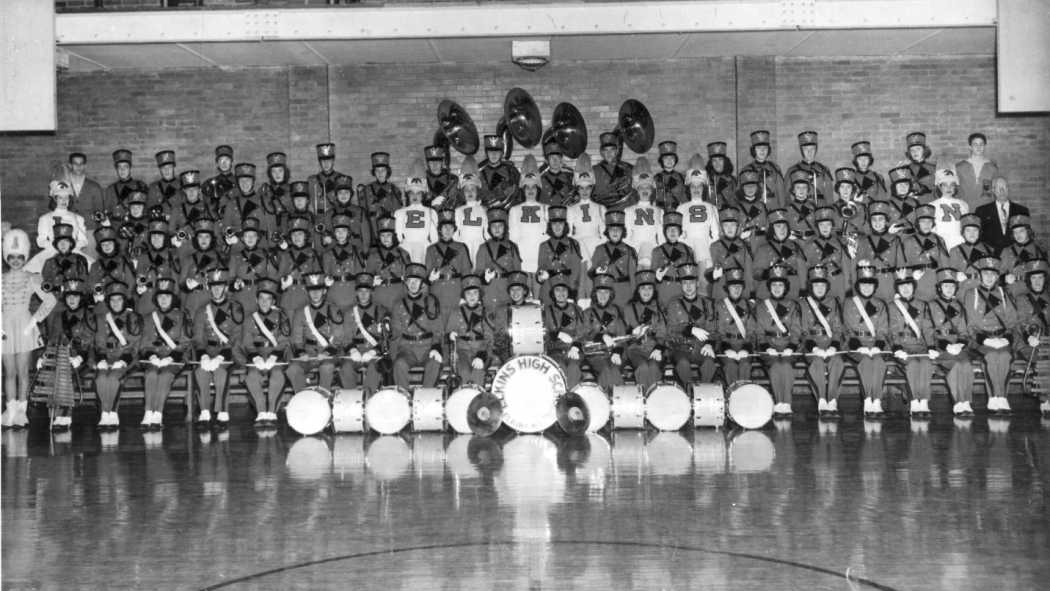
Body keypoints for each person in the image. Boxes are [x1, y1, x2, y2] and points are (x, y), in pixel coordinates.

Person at [2, 229, 56, 429]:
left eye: (20, 257)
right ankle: (10, 410)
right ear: (6, 257)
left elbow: (50, 300)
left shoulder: (33, 277)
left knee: (23, 371)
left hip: (24, 326)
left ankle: (22, 412)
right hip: (5, 328)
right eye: (11, 257)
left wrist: (34, 321)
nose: (16, 260)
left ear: (25, 257)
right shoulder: (0, 278)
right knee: (8, 373)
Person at [963, 256, 1018, 415]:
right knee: (992, 356)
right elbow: (970, 324)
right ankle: (994, 398)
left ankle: (1003, 398)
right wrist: (985, 339)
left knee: (1005, 356)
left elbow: (1012, 320)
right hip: (980, 340)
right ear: (980, 275)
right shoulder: (971, 294)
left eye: (992, 274)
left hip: (1002, 338)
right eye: (985, 273)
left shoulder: (1003, 293)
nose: (989, 277)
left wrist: (1005, 338)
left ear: (997, 277)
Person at [191, 268, 243, 426]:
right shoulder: (202, 310)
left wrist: (222, 356)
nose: (217, 289)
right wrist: (203, 355)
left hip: (230, 353)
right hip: (208, 350)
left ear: (226, 288)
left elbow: (237, 336)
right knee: (201, 371)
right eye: (214, 286)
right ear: (209, 288)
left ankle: (222, 411)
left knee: (221, 372)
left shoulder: (235, 309)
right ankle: (205, 412)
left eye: (220, 286)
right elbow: (198, 337)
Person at [138, 277, 190, 429]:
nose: (164, 300)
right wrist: (151, 356)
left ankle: (158, 414)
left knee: (166, 375)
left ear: (173, 298)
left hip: (175, 358)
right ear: (156, 299)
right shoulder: (149, 318)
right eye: (160, 296)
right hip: (154, 358)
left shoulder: (182, 316)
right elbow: (144, 343)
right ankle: (148, 412)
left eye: (167, 296)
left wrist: (171, 358)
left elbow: (185, 342)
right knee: (151, 374)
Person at [237, 278, 290, 426]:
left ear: (273, 301)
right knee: (252, 376)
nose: (264, 302)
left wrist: (275, 356)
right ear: (256, 299)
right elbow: (247, 342)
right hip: (257, 356)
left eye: (268, 299)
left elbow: (284, 340)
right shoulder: (249, 319)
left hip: (276, 355)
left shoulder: (281, 316)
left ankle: (272, 413)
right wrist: (255, 357)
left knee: (277, 375)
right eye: (261, 298)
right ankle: (261, 412)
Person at [42, 278, 93, 431]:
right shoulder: (59, 316)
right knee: (50, 374)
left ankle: (65, 415)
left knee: (65, 374)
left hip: (82, 358)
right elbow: (53, 339)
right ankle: (56, 413)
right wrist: (45, 356)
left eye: (76, 296)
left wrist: (79, 357)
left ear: (81, 298)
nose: (72, 299)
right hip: (62, 357)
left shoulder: (88, 315)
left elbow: (90, 340)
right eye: (69, 296)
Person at [287, 271, 347, 393]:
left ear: (324, 291)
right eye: (311, 290)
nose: (315, 294)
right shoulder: (300, 312)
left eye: (318, 290)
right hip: (308, 353)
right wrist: (301, 353)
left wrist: (326, 352)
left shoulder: (333, 309)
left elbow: (339, 337)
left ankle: (323, 398)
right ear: (307, 292)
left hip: (330, 353)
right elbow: (297, 339)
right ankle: (302, 399)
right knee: (293, 369)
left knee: (327, 367)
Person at [926, 268, 975, 417]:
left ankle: (966, 402)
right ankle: (958, 403)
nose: (949, 289)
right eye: (945, 286)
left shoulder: (959, 306)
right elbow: (928, 330)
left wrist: (959, 344)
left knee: (965, 364)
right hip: (940, 347)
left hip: (957, 347)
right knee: (956, 365)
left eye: (952, 286)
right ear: (939, 288)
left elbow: (964, 331)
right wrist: (945, 345)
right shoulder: (931, 305)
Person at [844, 264, 891, 418]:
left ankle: (876, 401)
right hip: (856, 345)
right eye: (863, 284)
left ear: (874, 286)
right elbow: (847, 329)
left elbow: (883, 329)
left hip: (875, 344)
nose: (866, 287)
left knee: (878, 362)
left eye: (870, 284)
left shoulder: (880, 304)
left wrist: (878, 346)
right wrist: (858, 346)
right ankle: (867, 400)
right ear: (858, 286)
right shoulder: (849, 303)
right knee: (865, 362)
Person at [754, 265, 801, 418]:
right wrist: (766, 347)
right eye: (774, 284)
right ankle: (778, 403)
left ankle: (786, 404)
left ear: (786, 287)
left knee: (786, 364)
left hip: (788, 345)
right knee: (775, 364)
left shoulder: (793, 305)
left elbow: (796, 329)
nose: (777, 288)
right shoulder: (761, 306)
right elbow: (759, 331)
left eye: (780, 285)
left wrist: (792, 346)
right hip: (769, 345)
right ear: (769, 287)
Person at [93, 281, 141, 429]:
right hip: (106, 355)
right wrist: (101, 360)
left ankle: (112, 413)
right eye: (112, 299)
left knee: (114, 377)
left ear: (124, 300)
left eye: (119, 299)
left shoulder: (132, 317)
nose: (115, 303)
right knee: (101, 378)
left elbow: (134, 344)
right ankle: (104, 414)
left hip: (126, 356)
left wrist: (122, 360)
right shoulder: (103, 318)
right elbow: (99, 343)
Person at [886, 272, 935, 417]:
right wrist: (897, 347)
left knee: (926, 363)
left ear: (913, 287)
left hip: (920, 345)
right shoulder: (891, 306)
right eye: (902, 286)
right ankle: (914, 402)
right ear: (897, 289)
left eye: (908, 285)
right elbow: (891, 330)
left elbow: (927, 327)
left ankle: (924, 402)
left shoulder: (922, 304)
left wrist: (931, 346)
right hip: (902, 347)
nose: (905, 288)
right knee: (913, 364)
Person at [799, 266, 845, 417]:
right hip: (811, 345)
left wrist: (834, 346)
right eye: (816, 285)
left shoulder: (834, 302)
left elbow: (838, 328)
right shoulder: (803, 304)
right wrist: (814, 348)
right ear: (811, 286)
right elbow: (803, 331)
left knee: (837, 361)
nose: (819, 288)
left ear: (827, 286)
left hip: (831, 343)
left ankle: (832, 401)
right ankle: (821, 401)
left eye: (822, 285)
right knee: (817, 362)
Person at [390, 263, 443, 389]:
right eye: (410, 281)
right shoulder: (398, 305)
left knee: (434, 363)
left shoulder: (431, 302)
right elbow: (396, 333)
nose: (413, 284)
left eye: (417, 281)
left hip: (428, 346)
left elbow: (438, 329)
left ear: (422, 283)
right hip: (407, 349)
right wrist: (393, 356)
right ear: (406, 283)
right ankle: (404, 397)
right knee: (399, 364)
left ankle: (426, 397)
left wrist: (436, 347)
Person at [665, 263, 717, 387]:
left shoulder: (707, 303)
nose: (688, 287)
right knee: (682, 364)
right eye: (685, 283)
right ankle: (688, 392)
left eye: (691, 283)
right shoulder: (673, 304)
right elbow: (670, 330)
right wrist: (690, 329)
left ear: (697, 284)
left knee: (709, 363)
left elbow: (713, 330)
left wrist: (710, 344)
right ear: (680, 285)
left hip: (701, 347)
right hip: (680, 348)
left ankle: (704, 392)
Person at [28, 181, 92, 272]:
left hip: (72, 252)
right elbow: (40, 241)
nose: (64, 200)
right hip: (51, 253)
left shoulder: (78, 218)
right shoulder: (45, 218)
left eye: (66, 198)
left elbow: (84, 241)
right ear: (54, 199)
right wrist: (57, 247)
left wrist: (70, 247)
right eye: (60, 198)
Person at [445, 274, 495, 387]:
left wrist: (482, 356)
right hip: (462, 351)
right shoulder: (455, 312)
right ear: (464, 296)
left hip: (482, 350)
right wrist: (450, 335)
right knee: (464, 373)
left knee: (478, 372)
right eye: (468, 293)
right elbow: (448, 335)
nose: (472, 296)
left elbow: (490, 339)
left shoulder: (486, 312)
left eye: (475, 293)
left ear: (480, 295)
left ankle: (477, 401)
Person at [343, 272, 389, 393]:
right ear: (356, 293)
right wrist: (352, 350)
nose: (363, 295)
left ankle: (369, 397)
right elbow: (346, 336)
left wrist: (375, 350)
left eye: (366, 291)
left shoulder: (381, 311)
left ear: (371, 292)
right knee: (346, 367)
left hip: (373, 351)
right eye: (360, 291)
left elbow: (385, 337)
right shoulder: (349, 312)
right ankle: (351, 398)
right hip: (355, 351)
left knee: (375, 367)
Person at [425, 209, 472, 327]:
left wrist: (465, 294)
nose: (447, 230)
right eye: (444, 227)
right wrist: (430, 278)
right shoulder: (431, 249)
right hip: (438, 289)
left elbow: (466, 272)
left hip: (456, 289)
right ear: (439, 229)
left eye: (450, 228)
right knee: (439, 322)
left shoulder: (461, 247)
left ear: (454, 230)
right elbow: (426, 273)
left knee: (456, 322)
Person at [622, 270, 666, 391]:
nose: (646, 292)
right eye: (643, 288)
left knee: (653, 367)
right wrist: (632, 333)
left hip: (654, 348)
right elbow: (623, 333)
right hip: (635, 349)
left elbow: (663, 332)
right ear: (638, 290)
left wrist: (659, 348)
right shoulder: (629, 308)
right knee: (642, 367)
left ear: (654, 290)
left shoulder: (659, 307)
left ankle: (654, 397)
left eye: (649, 288)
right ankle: (644, 397)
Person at [582, 274, 627, 391]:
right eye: (599, 292)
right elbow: (583, 336)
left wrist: (617, 352)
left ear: (610, 294)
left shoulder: (617, 311)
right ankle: (606, 399)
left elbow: (622, 336)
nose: (603, 296)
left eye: (606, 292)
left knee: (615, 370)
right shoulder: (587, 313)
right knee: (606, 370)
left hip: (616, 351)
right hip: (596, 353)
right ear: (595, 294)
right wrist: (601, 336)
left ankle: (619, 400)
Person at [678, 159, 720, 279]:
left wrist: (711, 251)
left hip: (705, 248)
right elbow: (678, 230)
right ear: (688, 189)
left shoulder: (711, 207)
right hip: (687, 246)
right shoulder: (681, 208)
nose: (696, 189)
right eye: (693, 186)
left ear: (704, 188)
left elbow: (716, 233)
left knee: (703, 280)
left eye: (699, 186)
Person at [474, 208, 522, 311]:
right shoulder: (483, 247)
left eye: (500, 225)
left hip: (508, 289)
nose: (497, 229)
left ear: (505, 228)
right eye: (493, 226)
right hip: (490, 289)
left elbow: (517, 271)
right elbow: (478, 271)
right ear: (489, 228)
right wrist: (485, 278)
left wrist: (517, 291)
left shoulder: (512, 246)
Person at [898, 205, 948, 302]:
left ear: (933, 223)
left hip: (935, 281)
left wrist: (945, 283)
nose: (926, 224)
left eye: (929, 222)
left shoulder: (939, 240)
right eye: (923, 221)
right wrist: (911, 275)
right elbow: (902, 266)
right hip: (917, 283)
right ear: (918, 223)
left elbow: (945, 264)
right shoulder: (909, 241)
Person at [752, 209, 806, 299]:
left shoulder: (795, 247)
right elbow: (756, 274)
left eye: (785, 226)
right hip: (770, 292)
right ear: (772, 229)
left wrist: (803, 289)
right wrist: (769, 272)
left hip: (793, 291)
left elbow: (803, 270)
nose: (782, 230)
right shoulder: (763, 249)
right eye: (778, 226)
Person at [230, 217, 280, 314]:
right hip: (241, 296)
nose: (250, 238)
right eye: (247, 235)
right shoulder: (235, 256)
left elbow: (272, 278)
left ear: (258, 238)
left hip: (260, 298)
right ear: (242, 238)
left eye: (253, 235)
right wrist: (234, 285)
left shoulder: (266, 254)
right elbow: (229, 280)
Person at [711, 267, 752, 385]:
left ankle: (744, 393)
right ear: (727, 288)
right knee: (730, 365)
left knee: (745, 364)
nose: (736, 289)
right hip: (725, 343)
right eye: (733, 286)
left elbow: (752, 331)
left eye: (739, 286)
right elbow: (717, 331)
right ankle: (733, 396)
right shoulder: (719, 305)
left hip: (744, 343)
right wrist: (725, 348)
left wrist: (746, 348)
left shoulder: (749, 305)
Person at [535, 205, 583, 306]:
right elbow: (541, 267)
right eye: (554, 224)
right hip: (548, 287)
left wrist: (571, 292)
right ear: (550, 226)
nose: (557, 227)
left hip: (566, 287)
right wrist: (540, 276)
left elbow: (576, 269)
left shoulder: (573, 243)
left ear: (565, 225)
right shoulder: (544, 245)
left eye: (560, 223)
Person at [509, 155, 548, 277]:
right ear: (523, 189)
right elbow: (513, 239)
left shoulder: (547, 209)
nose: (530, 190)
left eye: (533, 187)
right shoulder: (514, 210)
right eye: (527, 187)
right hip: (522, 257)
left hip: (541, 259)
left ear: (538, 189)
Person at [275, 216, 323, 313]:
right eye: (294, 234)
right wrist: (283, 284)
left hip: (307, 296)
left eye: (300, 234)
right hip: (289, 297)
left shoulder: (313, 254)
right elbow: (279, 276)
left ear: (305, 236)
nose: (297, 237)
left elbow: (319, 278)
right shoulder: (285, 254)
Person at [802, 206, 852, 300]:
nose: (825, 228)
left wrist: (847, 287)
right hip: (819, 285)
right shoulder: (809, 245)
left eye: (828, 224)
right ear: (817, 226)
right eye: (821, 225)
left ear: (831, 226)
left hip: (838, 282)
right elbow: (806, 269)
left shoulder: (839, 242)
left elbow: (845, 266)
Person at [544, 277, 586, 388]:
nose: (561, 293)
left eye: (564, 290)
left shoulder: (577, 309)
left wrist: (576, 346)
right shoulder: (546, 311)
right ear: (553, 293)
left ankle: (572, 396)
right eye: (557, 290)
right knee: (559, 368)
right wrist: (556, 334)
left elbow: (583, 331)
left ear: (568, 292)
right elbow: (542, 333)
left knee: (574, 368)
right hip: (555, 351)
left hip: (574, 350)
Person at [854, 202, 901, 301]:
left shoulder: (895, 239)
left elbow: (900, 264)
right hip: (870, 284)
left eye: (881, 219)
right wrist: (861, 263)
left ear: (886, 221)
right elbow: (858, 264)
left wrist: (899, 286)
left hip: (890, 282)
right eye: (874, 220)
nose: (877, 223)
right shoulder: (863, 240)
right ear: (870, 221)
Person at [180, 219, 228, 315]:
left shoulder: (220, 258)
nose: (204, 240)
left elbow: (226, 282)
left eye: (207, 237)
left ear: (212, 239)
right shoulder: (189, 259)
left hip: (212, 300)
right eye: (200, 237)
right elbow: (181, 282)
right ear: (196, 239)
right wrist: (187, 285)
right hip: (193, 302)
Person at [568, 153, 606, 272]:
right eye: (581, 188)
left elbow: (604, 233)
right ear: (577, 189)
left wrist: (601, 251)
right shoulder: (571, 209)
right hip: (579, 246)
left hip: (596, 245)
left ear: (592, 188)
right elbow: (568, 234)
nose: (585, 191)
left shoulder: (601, 208)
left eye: (588, 187)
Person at [365, 216, 412, 311]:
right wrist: (372, 282)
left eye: (388, 235)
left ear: (394, 236)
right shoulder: (373, 255)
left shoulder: (403, 253)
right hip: (380, 294)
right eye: (382, 235)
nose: (385, 238)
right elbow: (367, 278)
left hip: (399, 293)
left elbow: (410, 275)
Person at [395, 161, 438, 264]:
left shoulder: (430, 212)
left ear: (423, 195)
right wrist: (402, 244)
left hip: (424, 245)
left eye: (418, 193)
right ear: (407, 195)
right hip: (406, 245)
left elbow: (434, 233)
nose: (415, 196)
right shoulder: (400, 212)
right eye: (411, 193)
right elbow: (398, 232)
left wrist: (434, 248)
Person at [707, 207, 753, 300]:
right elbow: (709, 270)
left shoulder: (744, 245)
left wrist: (751, 292)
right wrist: (714, 273)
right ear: (721, 227)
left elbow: (748, 271)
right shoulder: (714, 246)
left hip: (740, 288)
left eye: (733, 225)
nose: (729, 228)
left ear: (738, 226)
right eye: (726, 225)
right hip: (721, 288)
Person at [650, 212, 696, 307]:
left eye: (675, 229)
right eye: (669, 229)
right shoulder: (657, 251)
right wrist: (657, 278)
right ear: (665, 232)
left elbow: (693, 274)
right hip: (663, 289)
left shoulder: (688, 250)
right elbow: (651, 277)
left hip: (682, 289)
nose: (672, 232)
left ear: (680, 232)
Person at [88, 226, 137, 314]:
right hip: (103, 303)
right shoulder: (95, 266)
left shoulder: (124, 261)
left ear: (115, 244)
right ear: (100, 247)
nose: (107, 246)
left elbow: (131, 282)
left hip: (122, 303)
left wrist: (127, 300)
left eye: (109, 243)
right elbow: (92, 284)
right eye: (103, 244)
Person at [624, 157, 660, 268]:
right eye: (641, 188)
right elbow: (627, 235)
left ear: (652, 189)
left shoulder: (659, 211)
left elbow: (661, 235)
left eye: (647, 187)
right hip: (634, 247)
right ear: (636, 190)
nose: (645, 190)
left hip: (652, 247)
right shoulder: (629, 210)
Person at [360, 152, 404, 243]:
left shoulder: (394, 190)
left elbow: (398, 214)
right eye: (377, 170)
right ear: (374, 172)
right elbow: (363, 214)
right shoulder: (366, 190)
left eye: (383, 170)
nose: (380, 173)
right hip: (372, 231)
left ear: (387, 171)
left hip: (389, 232)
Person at [998, 215, 1048, 294]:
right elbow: (996, 275)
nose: (1018, 235)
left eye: (1021, 231)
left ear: (1028, 231)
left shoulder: (1039, 250)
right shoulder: (1007, 251)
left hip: (1035, 294)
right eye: (1015, 232)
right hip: (1014, 293)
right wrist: (1004, 278)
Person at [41, 222, 91, 298]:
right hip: (55, 300)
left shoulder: (80, 260)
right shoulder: (49, 262)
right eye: (60, 242)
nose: (63, 244)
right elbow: (46, 283)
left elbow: (85, 282)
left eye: (66, 241)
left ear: (71, 244)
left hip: (76, 299)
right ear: (56, 245)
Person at [947, 214, 995, 294]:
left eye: (975, 230)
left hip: (984, 291)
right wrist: (956, 275)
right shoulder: (955, 250)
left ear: (979, 232)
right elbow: (949, 274)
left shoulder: (989, 250)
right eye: (968, 230)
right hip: (964, 290)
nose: (972, 233)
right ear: (963, 233)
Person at [325, 174, 371, 255]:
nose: (343, 195)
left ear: (351, 194)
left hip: (356, 250)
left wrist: (365, 252)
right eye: (340, 193)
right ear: (336, 195)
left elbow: (366, 235)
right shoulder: (329, 213)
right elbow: (328, 234)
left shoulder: (359, 211)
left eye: (346, 192)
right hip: (337, 252)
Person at [739, 130, 786, 208]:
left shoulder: (775, 168)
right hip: (755, 209)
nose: (762, 150)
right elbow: (741, 194)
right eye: (758, 148)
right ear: (754, 150)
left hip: (773, 208)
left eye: (765, 148)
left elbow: (781, 192)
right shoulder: (746, 170)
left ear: (768, 149)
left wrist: (782, 210)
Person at [454, 156, 489, 259]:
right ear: (462, 193)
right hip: (463, 243)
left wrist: (489, 244)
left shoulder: (483, 209)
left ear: (477, 191)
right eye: (467, 190)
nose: (470, 192)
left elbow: (486, 230)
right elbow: (456, 231)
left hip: (479, 243)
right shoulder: (458, 210)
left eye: (473, 189)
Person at [784, 131, 833, 205]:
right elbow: (787, 195)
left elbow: (829, 194)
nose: (809, 152)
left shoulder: (823, 170)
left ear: (816, 150)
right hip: (801, 208)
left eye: (812, 149)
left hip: (821, 208)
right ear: (801, 150)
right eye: (806, 149)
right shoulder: (792, 170)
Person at [592, 132, 635, 211]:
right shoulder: (594, 170)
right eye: (605, 150)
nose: (609, 153)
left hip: (625, 210)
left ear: (617, 151)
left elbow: (635, 191)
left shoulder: (628, 168)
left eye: (612, 149)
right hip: (602, 212)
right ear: (601, 152)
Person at [955, 132, 999, 210]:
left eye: (981, 144)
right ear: (970, 147)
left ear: (985, 146)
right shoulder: (959, 167)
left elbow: (993, 192)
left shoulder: (992, 168)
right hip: (965, 208)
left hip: (986, 208)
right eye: (975, 144)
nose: (979, 147)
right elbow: (955, 190)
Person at [101, 149, 148, 220]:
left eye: (125, 167)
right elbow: (107, 211)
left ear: (130, 168)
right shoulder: (110, 189)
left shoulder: (141, 185)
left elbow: (147, 208)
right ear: (116, 169)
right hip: (116, 226)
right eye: (119, 167)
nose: (122, 170)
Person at [929, 169, 969, 251]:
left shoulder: (963, 204)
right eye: (945, 185)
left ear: (955, 187)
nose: (949, 188)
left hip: (959, 243)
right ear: (939, 187)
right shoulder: (932, 205)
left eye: (952, 185)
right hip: (941, 244)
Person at [479, 135, 521, 209]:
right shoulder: (480, 174)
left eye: (497, 151)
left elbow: (519, 194)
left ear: (501, 153)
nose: (493, 154)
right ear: (486, 153)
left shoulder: (512, 171)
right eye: (490, 151)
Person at [307, 142, 347, 215]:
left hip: (336, 218)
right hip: (318, 219)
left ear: (333, 161)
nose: (326, 163)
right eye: (323, 161)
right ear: (319, 162)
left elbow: (346, 204)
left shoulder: (342, 179)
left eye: (329, 160)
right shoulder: (312, 180)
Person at [66, 151, 105, 225]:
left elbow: (99, 212)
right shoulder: (63, 185)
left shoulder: (95, 187)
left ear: (85, 166)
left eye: (81, 163)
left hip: (89, 229)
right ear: (70, 165)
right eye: (75, 163)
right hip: (69, 228)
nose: (78, 166)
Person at [539, 138, 575, 206]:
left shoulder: (570, 177)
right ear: (547, 160)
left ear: (561, 159)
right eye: (552, 158)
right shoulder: (540, 178)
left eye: (557, 157)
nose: (555, 160)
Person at [653, 141, 687, 210]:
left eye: (672, 158)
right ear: (661, 160)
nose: (669, 160)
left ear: (675, 160)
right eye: (666, 158)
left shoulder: (682, 178)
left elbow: (685, 197)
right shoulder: (656, 178)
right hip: (660, 211)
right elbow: (652, 198)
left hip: (678, 211)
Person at [202, 145, 237, 215]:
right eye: (221, 160)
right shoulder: (209, 184)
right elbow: (207, 207)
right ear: (217, 163)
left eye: (227, 159)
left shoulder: (239, 183)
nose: (224, 163)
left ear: (231, 162)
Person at [423, 145, 460, 210]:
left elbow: (454, 202)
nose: (435, 165)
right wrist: (430, 203)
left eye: (437, 162)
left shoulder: (452, 180)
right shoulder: (422, 180)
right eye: (431, 162)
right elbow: (416, 204)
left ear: (442, 162)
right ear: (427, 163)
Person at [904, 132, 937, 203]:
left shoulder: (934, 168)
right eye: (912, 150)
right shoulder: (904, 169)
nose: (915, 152)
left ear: (924, 150)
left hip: (930, 203)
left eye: (918, 149)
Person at [259, 151, 292, 219]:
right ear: (270, 173)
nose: (277, 174)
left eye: (280, 171)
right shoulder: (264, 191)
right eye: (274, 171)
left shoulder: (293, 190)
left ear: (285, 172)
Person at [705, 143, 737, 208]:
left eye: (720, 160)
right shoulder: (706, 180)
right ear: (711, 163)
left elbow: (737, 203)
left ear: (725, 161)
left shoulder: (733, 181)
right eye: (714, 161)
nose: (717, 164)